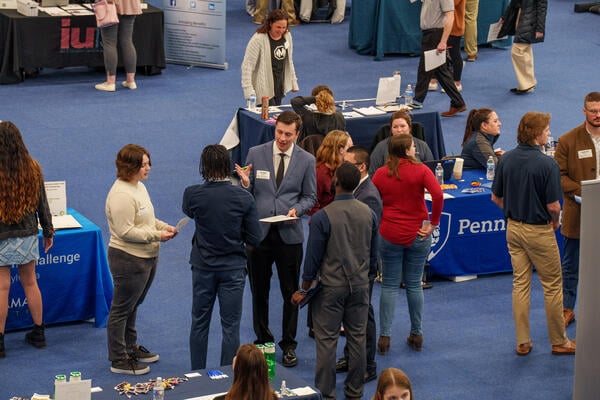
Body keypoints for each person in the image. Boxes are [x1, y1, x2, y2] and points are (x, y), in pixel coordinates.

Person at [234, 110, 316, 368]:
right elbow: (247, 191)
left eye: (288, 134)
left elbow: (310, 197)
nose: (282, 138)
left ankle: (289, 344)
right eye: (279, 132)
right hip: (259, 235)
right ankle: (263, 340)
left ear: (297, 134)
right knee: (259, 290)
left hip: (290, 234)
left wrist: (297, 210)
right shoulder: (255, 153)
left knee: (291, 293)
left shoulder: (307, 160)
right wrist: (245, 184)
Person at [491, 112, 576, 356]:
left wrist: (511, 212)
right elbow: (554, 206)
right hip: (538, 231)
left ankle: (523, 341)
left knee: (520, 284)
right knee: (552, 285)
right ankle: (559, 341)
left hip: (513, 229)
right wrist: (555, 222)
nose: (549, 133)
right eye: (547, 130)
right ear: (536, 135)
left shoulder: (506, 159)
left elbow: (496, 197)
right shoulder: (547, 164)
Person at [292, 162, 378, 400]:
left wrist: (304, 288)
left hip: (330, 288)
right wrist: (366, 278)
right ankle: (355, 392)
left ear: (336, 182)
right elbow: (373, 255)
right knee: (357, 338)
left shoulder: (322, 217)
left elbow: (312, 260)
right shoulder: (369, 213)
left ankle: (326, 395)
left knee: (327, 342)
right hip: (360, 286)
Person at [182, 145, 262, 370]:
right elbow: (255, 238)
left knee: (199, 322)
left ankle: (197, 375)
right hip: (233, 269)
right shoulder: (243, 197)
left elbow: (189, 212)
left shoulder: (192, 194)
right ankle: (228, 379)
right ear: (228, 167)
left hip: (202, 267)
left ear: (204, 167)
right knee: (231, 326)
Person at [105, 144, 177, 374]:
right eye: (143, 164)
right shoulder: (121, 195)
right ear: (130, 167)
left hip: (147, 256)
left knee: (134, 304)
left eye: (148, 163)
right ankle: (118, 358)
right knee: (121, 308)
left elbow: (147, 220)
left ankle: (130, 347)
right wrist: (157, 235)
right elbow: (126, 231)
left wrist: (163, 226)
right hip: (128, 259)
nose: (148, 168)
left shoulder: (139, 187)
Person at [372, 134, 443, 355]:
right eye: (413, 146)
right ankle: (417, 333)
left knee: (390, 285)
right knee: (414, 284)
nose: (415, 149)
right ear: (407, 151)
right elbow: (438, 195)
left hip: (390, 233)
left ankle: (384, 337)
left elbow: (372, 199)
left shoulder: (381, 173)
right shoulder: (421, 170)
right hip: (418, 234)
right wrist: (434, 223)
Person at [0, 121, 54, 358]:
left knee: (1, 287)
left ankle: (0, 342)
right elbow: (43, 203)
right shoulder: (33, 167)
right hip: (28, 235)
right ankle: (39, 333)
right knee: (30, 283)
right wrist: (49, 231)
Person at [336, 146, 382, 383]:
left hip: (362, 268)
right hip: (347, 266)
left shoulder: (369, 195)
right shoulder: (353, 189)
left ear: (361, 167)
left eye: (347, 163)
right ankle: (351, 357)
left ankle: (368, 364)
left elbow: (368, 236)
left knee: (363, 316)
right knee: (352, 315)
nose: (342, 167)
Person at [554, 92, 600, 328]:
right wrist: (585, 191)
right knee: (571, 266)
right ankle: (567, 308)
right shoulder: (568, 140)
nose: (597, 115)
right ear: (584, 111)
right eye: (593, 110)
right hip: (578, 213)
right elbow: (559, 177)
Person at [413, 0, 467, 117]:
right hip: (429, 33)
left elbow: (450, 16)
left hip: (435, 34)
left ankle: (417, 101)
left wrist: (443, 41)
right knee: (440, 71)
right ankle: (458, 102)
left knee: (424, 68)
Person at [241, 9, 299, 106]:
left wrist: (293, 81)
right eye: (278, 27)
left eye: (284, 27)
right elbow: (247, 66)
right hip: (263, 88)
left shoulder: (287, 36)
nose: (281, 31)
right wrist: (248, 90)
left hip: (279, 85)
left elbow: (289, 61)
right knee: (266, 118)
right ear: (270, 23)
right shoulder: (258, 39)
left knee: (274, 118)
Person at [498, 0, 548, 94]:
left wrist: (540, 28)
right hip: (521, 18)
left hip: (529, 21)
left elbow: (542, 8)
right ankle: (528, 84)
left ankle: (527, 84)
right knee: (525, 50)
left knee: (517, 51)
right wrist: (505, 17)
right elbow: (514, 3)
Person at [95, 0, 142, 92]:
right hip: (131, 4)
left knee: (109, 43)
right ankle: (131, 81)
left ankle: (110, 82)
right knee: (127, 41)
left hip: (110, 4)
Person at [369, 111, 434, 176]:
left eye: (403, 126)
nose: (399, 130)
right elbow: (372, 173)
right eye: (395, 127)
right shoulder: (381, 147)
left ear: (409, 128)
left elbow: (431, 171)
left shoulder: (422, 145)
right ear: (391, 129)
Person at [308, 130, 353, 214]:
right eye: (350, 147)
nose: (353, 150)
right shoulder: (320, 174)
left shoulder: (342, 169)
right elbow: (312, 206)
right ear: (341, 150)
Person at [428, 0, 466, 93]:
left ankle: (456, 82)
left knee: (454, 54)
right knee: (436, 53)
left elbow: (450, 4)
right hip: (439, 26)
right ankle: (433, 79)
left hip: (454, 27)